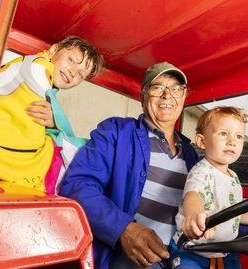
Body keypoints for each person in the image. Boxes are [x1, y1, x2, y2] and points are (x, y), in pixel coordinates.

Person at [59, 62, 200, 269]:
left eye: (176, 89)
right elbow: (78, 184)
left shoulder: (191, 153)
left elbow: (206, 204)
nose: (167, 95)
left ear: (184, 97)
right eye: (157, 87)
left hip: (181, 257)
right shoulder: (115, 132)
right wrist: (124, 229)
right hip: (133, 259)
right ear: (143, 95)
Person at [0, 36, 103, 194]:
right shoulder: (38, 68)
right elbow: (35, 133)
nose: (73, 73)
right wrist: (55, 123)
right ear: (53, 50)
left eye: (80, 75)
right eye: (71, 60)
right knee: (84, 153)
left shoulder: (40, 74)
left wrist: (52, 122)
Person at [170, 106, 248, 269]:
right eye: (223, 133)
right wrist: (193, 214)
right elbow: (193, 195)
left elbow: (234, 212)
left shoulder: (233, 178)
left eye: (239, 136)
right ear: (202, 141)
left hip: (226, 253)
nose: (232, 141)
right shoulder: (201, 172)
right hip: (191, 252)